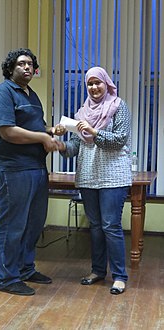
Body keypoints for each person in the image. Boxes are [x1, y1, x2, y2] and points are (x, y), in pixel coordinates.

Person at [0, 48, 64, 296]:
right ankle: (7, 278)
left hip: (36, 167)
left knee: (33, 223)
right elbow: (7, 131)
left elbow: (36, 126)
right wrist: (42, 137)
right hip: (13, 168)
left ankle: (25, 269)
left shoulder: (32, 95)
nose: (27, 67)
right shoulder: (2, 93)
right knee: (13, 224)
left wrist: (51, 130)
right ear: (11, 69)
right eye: (21, 64)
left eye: (30, 64)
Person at [58, 66, 132, 295]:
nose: (94, 87)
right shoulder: (82, 112)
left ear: (106, 83)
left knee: (111, 226)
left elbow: (120, 140)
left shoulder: (119, 106)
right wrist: (60, 144)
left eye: (97, 82)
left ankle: (119, 276)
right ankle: (98, 270)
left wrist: (95, 131)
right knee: (97, 227)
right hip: (88, 176)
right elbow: (75, 146)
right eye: (89, 84)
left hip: (113, 176)